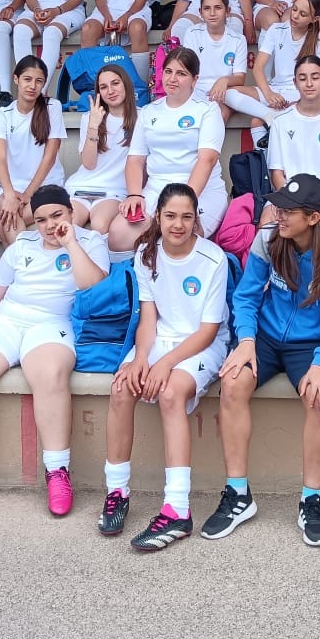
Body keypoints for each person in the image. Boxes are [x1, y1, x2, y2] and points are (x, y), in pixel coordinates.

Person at [200, 174, 320, 547]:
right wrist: (245, 341)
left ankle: (311, 499)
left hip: (311, 345)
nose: (279, 215)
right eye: (279, 207)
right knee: (233, 382)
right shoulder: (268, 238)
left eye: (290, 211)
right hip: (265, 338)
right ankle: (238, 494)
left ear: (314, 218)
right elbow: (246, 297)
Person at [0, 186, 109, 514]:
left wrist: (70, 243)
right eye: (41, 219)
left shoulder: (91, 241)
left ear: (70, 213)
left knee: (50, 373)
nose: (50, 224)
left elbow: (95, 286)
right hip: (9, 318)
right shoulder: (22, 245)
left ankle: (57, 471)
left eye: (57, 215)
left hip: (54, 322)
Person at [99, 184, 229, 551]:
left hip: (203, 342)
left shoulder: (213, 259)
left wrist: (166, 365)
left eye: (187, 216)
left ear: (196, 219)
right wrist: (142, 359)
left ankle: (177, 508)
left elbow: (207, 331)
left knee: (171, 393)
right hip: (160, 340)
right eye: (171, 216)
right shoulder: (145, 254)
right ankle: (117, 492)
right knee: (122, 386)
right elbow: (149, 319)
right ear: (158, 216)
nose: (179, 224)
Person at [109, 48, 227, 250]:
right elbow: (135, 160)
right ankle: (131, 277)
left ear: (194, 79)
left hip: (199, 190)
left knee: (178, 236)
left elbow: (207, 160)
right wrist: (135, 195)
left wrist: (184, 202)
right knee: (118, 234)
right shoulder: (148, 111)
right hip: (157, 188)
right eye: (168, 71)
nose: (172, 78)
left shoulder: (207, 109)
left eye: (181, 73)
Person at [262, 54, 320, 230]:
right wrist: (294, 200)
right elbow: (277, 175)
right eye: (302, 78)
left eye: (315, 77)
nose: (309, 84)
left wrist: (312, 201)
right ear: (295, 83)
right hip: (288, 193)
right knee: (267, 225)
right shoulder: (280, 121)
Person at [0, 56, 66, 244]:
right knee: (8, 213)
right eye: (27, 79)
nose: (32, 86)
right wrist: (9, 194)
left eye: (38, 81)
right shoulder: (2, 114)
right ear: (16, 79)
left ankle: (22, 271)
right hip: (12, 188)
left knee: (6, 223)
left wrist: (29, 194)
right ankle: (26, 270)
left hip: (47, 185)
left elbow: (50, 156)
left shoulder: (52, 107)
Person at [228, 0, 320, 127]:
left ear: (314, 19)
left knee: (256, 122)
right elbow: (258, 68)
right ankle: (268, 114)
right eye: (294, 9)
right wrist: (268, 93)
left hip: (300, 93)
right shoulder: (276, 29)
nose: (295, 16)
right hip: (275, 89)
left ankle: (271, 115)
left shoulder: (319, 39)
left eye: (303, 14)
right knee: (229, 93)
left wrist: (299, 101)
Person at [66, 63, 141, 235]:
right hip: (81, 186)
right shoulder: (90, 117)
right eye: (104, 87)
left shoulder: (142, 116)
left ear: (126, 85)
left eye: (115, 83)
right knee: (69, 225)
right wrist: (93, 126)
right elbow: (89, 164)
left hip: (114, 190)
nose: (110, 91)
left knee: (99, 225)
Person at [180, 0, 248, 123]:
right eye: (206, 8)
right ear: (200, 12)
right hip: (196, 89)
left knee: (219, 115)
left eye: (218, 8)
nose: (212, 13)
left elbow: (240, 78)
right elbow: (187, 70)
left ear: (227, 11)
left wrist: (224, 80)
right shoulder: (192, 33)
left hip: (224, 93)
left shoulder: (238, 39)